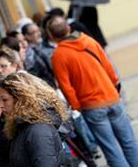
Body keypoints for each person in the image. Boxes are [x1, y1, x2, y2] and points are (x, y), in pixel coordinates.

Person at [47, 16, 138, 167]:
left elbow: (66, 86)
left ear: (51, 36)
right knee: (129, 142)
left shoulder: (58, 55)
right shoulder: (88, 41)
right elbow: (108, 66)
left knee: (111, 150)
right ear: (69, 28)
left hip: (91, 107)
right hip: (112, 98)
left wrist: (77, 106)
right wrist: (115, 88)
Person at [0, 72, 67, 166]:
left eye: (4, 100)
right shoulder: (22, 127)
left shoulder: (38, 131)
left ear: (21, 99)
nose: (0, 105)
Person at [22, 23, 56, 88]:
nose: (39, 34)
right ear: (27, 36)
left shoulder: (48, 45)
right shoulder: (28, 55)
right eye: (34, 32)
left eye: (38, 30)